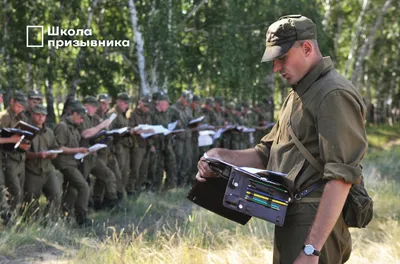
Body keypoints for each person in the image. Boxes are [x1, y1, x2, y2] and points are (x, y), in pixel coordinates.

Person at [197, 15, 368, 264]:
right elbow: (267, 154)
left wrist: (311, 249)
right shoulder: (299, 94)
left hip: (315, 223)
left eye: (282, 57)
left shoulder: (333, 94)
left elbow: (341, 178)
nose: (276, 68)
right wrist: (220, 158)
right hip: (294, 217)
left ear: (307, 48)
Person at [52, 102, 91, 226]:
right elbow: (60, 148)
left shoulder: (74, 127)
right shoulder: (62, 126)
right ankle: (81, 216)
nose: (82, 120)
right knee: (83, 187)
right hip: (65, 163)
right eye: (81, 117)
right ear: (74, 114)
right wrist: (78, 150)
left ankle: (66, 215)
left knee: (71, 189)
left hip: (73, 162)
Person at [24, 104, 62, 219]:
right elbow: (23, 154)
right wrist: (38, 155)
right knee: (30, 200)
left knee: (56, 195)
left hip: (48, 170)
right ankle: (33, 223)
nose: (40, 118)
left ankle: (49, 220)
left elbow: (55, 147)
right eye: (38, 115)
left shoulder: (49, 132)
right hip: (32, 170)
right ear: (32, 115)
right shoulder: (26, 131)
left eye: (43, 115)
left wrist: (54, 154)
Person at [0, 91, 30, 212]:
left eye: (23, 107)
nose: (20, 109)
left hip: (19, 158)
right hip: (7, 158)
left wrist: (24, 144)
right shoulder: (5, 117)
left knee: (18, 192)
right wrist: (11, 139)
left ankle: (12, 218)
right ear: (11, 101)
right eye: (18, 106)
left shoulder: (22, 117)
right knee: (13, 191)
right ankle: (8, 218)